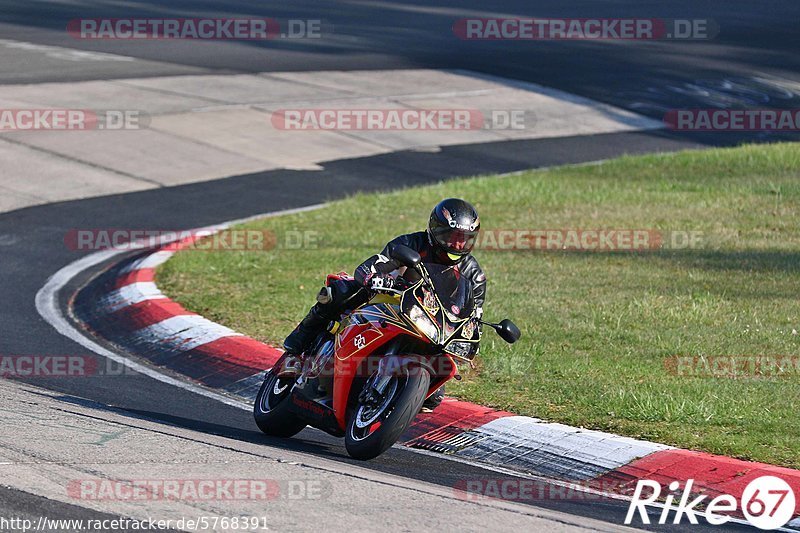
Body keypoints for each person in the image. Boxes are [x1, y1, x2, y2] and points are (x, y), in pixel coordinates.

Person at [276, 198, 487, 410]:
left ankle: (395, 401)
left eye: (465, 239)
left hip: (429, 325)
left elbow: (473, 316)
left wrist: (471, 337)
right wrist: (374, 277)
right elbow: (371, 266)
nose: (458, 245)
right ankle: (298, 346)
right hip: (390, 301)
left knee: (434, 394)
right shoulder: (412, 243)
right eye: (451, 236)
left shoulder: (474, 275)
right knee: (340, 291)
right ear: (436, 230)